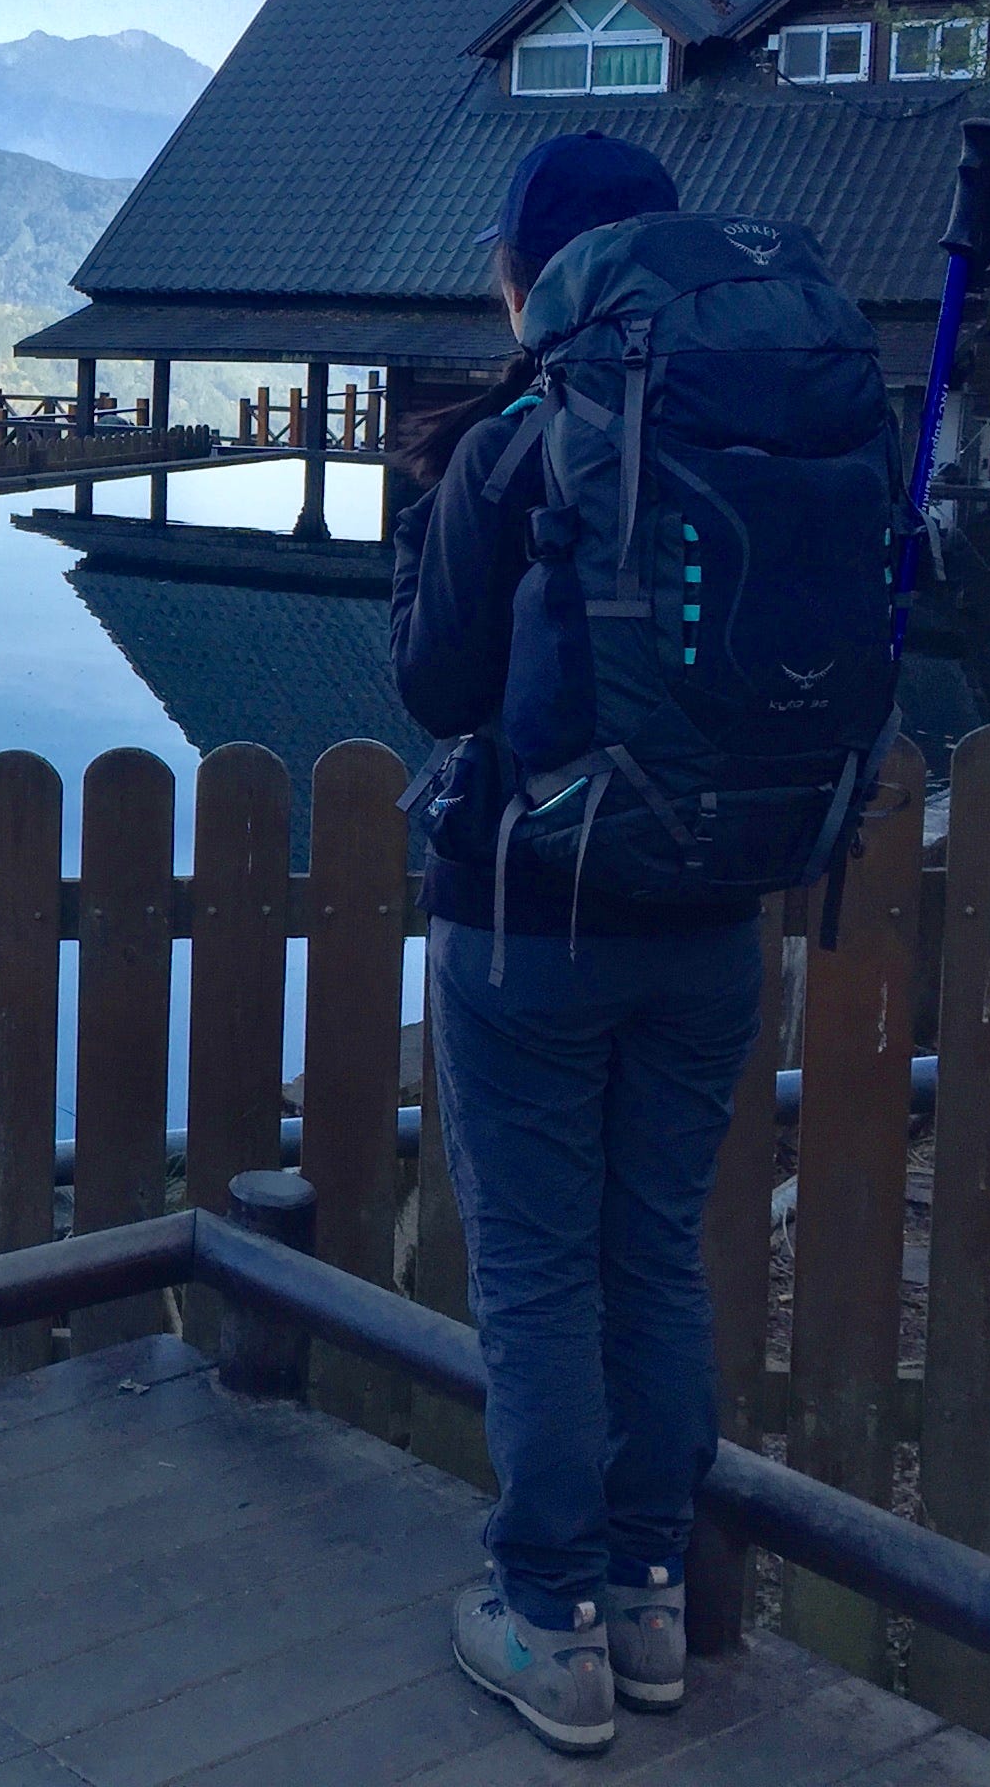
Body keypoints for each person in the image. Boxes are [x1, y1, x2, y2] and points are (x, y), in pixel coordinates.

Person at [391, 133, 782, 1755]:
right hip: (711, 917)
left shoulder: (515, 443)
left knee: (539, 1263)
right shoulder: (755, 425)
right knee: (653, 1248)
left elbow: (431, 682)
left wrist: (423, 512)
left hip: (534, 921)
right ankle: (644, 1595)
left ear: (524, 275)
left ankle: (542, 1615)